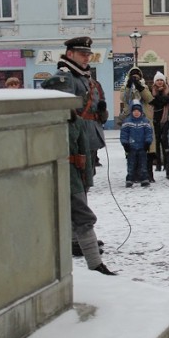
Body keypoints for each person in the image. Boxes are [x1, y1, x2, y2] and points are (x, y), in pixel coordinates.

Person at [42, 92, 116, 275]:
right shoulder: (43, 125)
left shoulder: (78, 123)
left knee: (84, 219)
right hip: (46, 180)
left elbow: (85, 154)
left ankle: (95, 264)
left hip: (73, 180)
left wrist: (87, 182)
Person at [41, 37, 108, 176]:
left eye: (88, 55)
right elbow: (65, 113)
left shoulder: (83, 77)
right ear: (70, 54)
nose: (86, 58)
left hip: (88, 136)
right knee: (77, 184)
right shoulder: (65, 77)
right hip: (76, 140)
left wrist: (100, 112)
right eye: (82, 55)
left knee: (86, 180)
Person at [120, 67, 157, 182]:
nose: (135, 77)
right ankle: (133, 175)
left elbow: (149, 99)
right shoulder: (125, 87)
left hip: (145, 120)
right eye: (133, 75)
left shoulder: (145, 87)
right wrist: (128, 86)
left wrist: (139, 87)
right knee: (132, 151)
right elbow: (124, 99)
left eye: (137, 75)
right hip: (131, 120)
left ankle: (148, 175)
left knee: (147, 150)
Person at [120, 101, 154, 188]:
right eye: (134, 111)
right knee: (131, 164)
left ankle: (144, 178)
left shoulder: (145, 121)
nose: (136, 113)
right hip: (131, 148)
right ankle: (130, 179)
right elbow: (124, 134)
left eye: (138, 111)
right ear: (131, 112)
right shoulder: (127, 122)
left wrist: (148, 142)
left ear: (141, 112)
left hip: (142, 147)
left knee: (143, 164)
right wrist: (125, 144)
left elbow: (149, 133)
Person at [150, 71, 169, 172]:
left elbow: (167, 100)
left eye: (161, 80)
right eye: (158, 80)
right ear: (155, 82)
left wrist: (160, 95)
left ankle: (166, 163)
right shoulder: (151, 91)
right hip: (154, 119)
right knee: (156, 142)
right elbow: (154, 102)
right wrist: (159, 97)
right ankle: (158, 164)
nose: (160, 82)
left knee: (165, 142)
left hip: (165, 119)